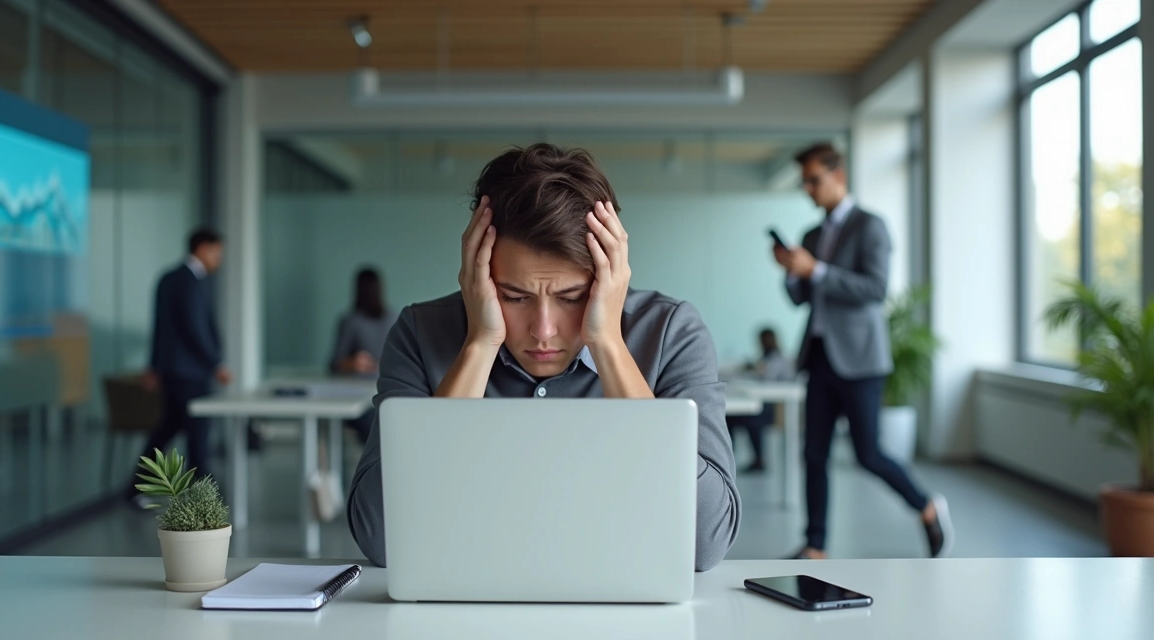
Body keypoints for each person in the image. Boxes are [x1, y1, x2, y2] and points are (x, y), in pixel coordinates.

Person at [346, 143, 740, 571]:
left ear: (609, 277)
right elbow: (382, 539)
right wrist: (479, 344)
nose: (544, 330)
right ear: (478, 275)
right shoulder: (420, 334)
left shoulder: (671, 333)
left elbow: (705, 542)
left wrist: (607, 342)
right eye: (514, 297)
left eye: (571, 297)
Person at [774, 142, 952, 559]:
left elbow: (875, 290)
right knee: (813, 454)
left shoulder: (871, 226)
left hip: (860, 359)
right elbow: (801, 297)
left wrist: (815, 269)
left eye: (814, 180)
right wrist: (790, 271)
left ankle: (926, 506)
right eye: (804, 182)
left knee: (867, 453)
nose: (809, 189)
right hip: (818, 355)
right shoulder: (812, 235)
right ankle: (815, 545)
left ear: (839, 177)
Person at [133, 228, 231, 508]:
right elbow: (194, 328)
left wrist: (154, 365)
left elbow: (160, 328)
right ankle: (207, 498)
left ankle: (134, 489)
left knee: (166, 430)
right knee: (198, 435)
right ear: (202, 248)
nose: (218, 260)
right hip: (190, 373)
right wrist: (216, 363)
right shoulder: (191, 281)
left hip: (174, 371)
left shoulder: (169, 278)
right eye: (217, 252)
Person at [327, 267, 395, 442]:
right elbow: (335, 364)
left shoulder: (392, 319)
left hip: (379, 395)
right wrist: (354, 363)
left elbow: (334, 364)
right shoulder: (351, 321)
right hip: (364, 397)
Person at [726, 328, 793, 472]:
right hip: (763, 404)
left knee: (751, 419)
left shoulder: (778, 358)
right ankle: (728, 457)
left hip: (773, 408)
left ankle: (755, 460)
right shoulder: (764, 358)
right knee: (730, 418)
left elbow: (768, 377)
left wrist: (756, 370)